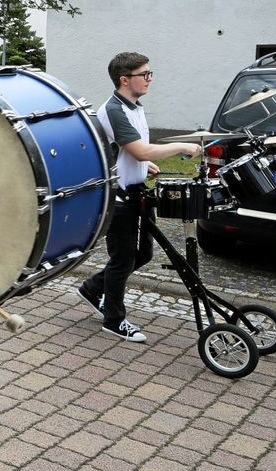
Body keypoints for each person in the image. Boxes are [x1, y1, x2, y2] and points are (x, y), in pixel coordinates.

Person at [78, 52, 202, 343]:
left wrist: (144, 165)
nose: (150, 79)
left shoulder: (135, 106)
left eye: (150, 73)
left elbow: (131, 151)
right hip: (119, 200)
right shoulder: (114, 110)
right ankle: (114, 319)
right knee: (123, 259)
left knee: (143, 254)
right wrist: (180, 145)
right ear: (125, 79)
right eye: (144, 74)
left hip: (138, 194)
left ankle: (93, 288)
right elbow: (140, 149)